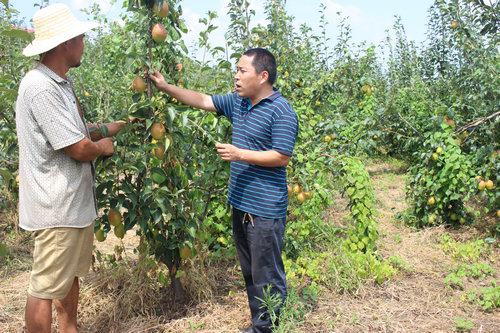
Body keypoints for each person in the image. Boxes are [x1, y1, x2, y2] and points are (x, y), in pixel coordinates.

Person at [148, 48, 299, 333]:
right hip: (241, 205)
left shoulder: (282, 111)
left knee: (267, 274)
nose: (237, 76)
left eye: (243, 71)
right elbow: (203, 100)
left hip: (265, 210)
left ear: (263, 76)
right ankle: (260, 326)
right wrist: (167, 87)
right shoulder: (238, 103)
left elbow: (281, 156)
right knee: (251, 273)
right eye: (237, 70)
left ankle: (271, 328)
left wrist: (240, 154)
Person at [15, 4, 124, 332]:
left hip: (73, 206)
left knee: (66, 278)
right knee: (45, 287)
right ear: (64, 43)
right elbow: (78, 148)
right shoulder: (40, 87)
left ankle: (69, 328)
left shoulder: (61, 84)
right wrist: (104, 147)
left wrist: (110, 128)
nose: (84, 42)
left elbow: (76, 132)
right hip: (55, 207)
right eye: (80, 37)